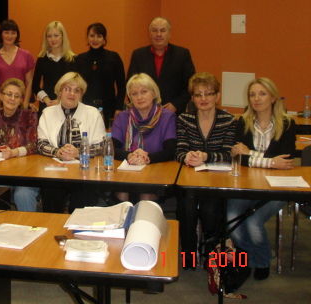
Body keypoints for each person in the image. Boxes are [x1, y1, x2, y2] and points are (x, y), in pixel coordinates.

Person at [227, 77, 296, 281]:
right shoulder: (243, 122)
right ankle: (248, 259)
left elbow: (286, 161)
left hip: (277, 187)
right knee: (231, 217)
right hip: (247, 184)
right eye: (252, 95)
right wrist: (270, 161)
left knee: (253, 222)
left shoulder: (287, 123)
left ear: (273, 98)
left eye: (262, 94)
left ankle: (263, 261)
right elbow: (239, 157)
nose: (256, 99)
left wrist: (251, 153)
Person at [175, 72, 236, 268]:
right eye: (198, 94)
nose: (203, 99)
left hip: (218, 179)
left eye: (208, 94)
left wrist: (205, 156)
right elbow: (179, 150)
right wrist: (187, 157)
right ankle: (189, 258)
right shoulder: (185, 119)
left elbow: (228, 154)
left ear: (217, 96)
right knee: (186, 208)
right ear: (192, 98)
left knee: (210, 209)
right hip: (190, 178)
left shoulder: (228, 120)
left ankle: (212, 257)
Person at [37, 72, 106, 213]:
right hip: (55, 171)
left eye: (77, 90)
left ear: (81, 94)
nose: (72, 94)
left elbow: (101, 147)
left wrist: (78, 152)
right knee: (51, 196)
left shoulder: (93, 114)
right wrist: (58, 152)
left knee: (83, 200)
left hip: (84, 172)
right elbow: (41, 144)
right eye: (67, 89)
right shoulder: (47, 113)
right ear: (59, 91)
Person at [0, 78, 39, 212]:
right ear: (1, 95)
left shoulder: (29, 115)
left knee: (23, 195)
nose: (12, 99)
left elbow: (33, 145)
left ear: (21, 100)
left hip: (26, 173)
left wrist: (13, 152)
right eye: (9, 94)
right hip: (1, 173)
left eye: (17, 96)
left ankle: (28, 225)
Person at [127, 17, 195, 115]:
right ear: (150, 34)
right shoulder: (138, 55)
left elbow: (191, 85)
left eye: (163, 30)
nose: (158, 34)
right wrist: (142, 106)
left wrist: (176, 105)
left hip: (174, 113)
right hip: (145, 112)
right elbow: (130, 84)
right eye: (154, 30)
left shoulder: (182, 54)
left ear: (169, 33)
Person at [112, 73, 177, 165]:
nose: (139, 97)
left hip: (158, 168)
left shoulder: (167, 117)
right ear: (130, 97)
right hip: (128, 168)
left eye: (144, 92)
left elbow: (170, 152)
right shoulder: (122, 117)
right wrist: (130, 155)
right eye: (134, 94)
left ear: (153, 93)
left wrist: (147, 158)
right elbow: (111, 149)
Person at [75, 22, 125, 123]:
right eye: (92, 36)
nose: (95, 40)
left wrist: (119, 108)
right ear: (87, 37)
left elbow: (122, 85)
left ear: (104, 38)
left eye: (99, 36)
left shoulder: (114, 57)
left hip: (109, 109)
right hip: (85, 108)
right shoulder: (79, 59)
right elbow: (75, 85)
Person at [0, 19, 35, 110]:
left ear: (17, 35)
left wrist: (25, 104)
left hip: (20, 103)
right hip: (1, 105)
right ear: (1, 34)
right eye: (6, 32)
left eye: (13, 33)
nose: (10, 36)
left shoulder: (26, 55)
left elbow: (29, 82)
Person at [32, 21, 75, 117]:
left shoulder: (72, 59)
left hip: (67, 103)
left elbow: (76, 85)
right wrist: (46, 99)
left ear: (62, 36)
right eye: (49, 36)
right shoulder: (42, 58)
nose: (53, 39)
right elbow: (35, 85)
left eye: (56, 35)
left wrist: (60, 100)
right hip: (47, 104)